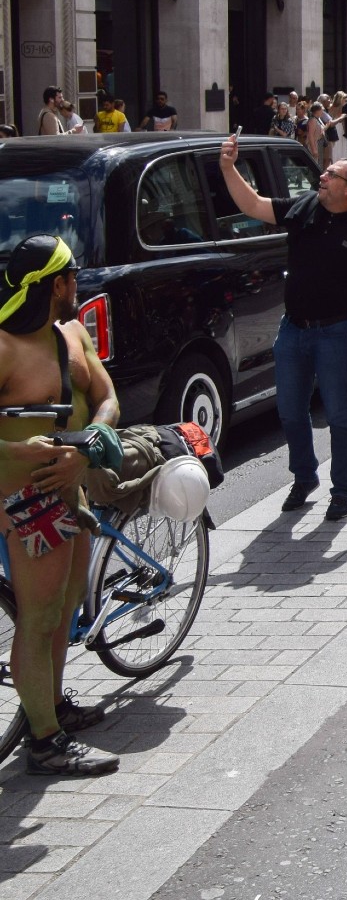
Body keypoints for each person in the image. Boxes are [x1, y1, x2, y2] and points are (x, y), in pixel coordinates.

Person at [217, 134, 347, 520]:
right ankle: (304, 477)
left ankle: (342, 490)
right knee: (290, 412)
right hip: (294, 330)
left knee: (338, 415)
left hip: (336, 332)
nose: (323, 176)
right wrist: (228, 167)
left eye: (331, 174)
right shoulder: (304, 207)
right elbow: (253, 204)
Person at [0, 236, 122, 776]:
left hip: (69, 490)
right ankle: (44, 744)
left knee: (65, 612)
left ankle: (51, 709)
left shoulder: (72, 334)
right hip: (25, 502)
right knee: (39, 616)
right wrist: (22, 452)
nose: (80, 282)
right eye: (73, 274)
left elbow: (107, 398)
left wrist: (91, 444)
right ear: (56, 284)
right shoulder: (3, 347)